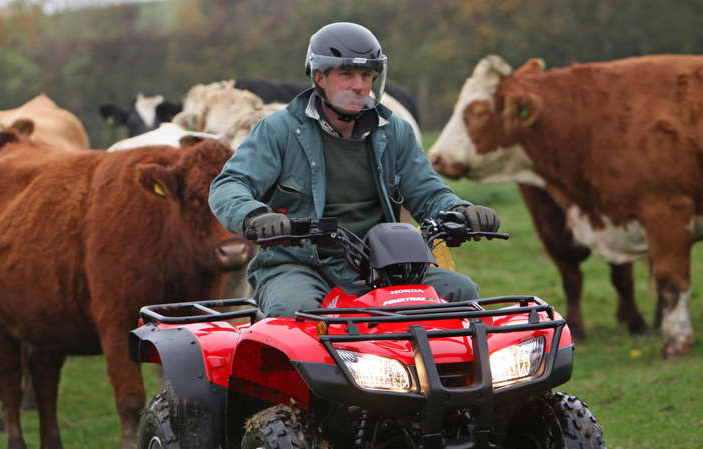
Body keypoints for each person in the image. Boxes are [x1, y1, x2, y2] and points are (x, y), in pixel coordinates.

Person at [209, 22, 500, 317]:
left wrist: (461, 211)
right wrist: (256, 216)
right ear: (320, 77)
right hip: (298, 263)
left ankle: (438, 365)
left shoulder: (394, 131)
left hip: (385, 263)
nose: (360, 86)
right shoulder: (278, 130)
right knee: (295, 311)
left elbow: (428, 192)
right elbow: (229, 184)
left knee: (460, 292)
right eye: (346, 74)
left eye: (366, 75)